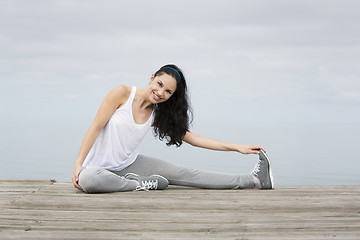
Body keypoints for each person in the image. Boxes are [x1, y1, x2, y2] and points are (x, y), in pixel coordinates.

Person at [72, 64, 274, 193]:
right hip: (98, 169)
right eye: (159, 84)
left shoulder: (158, 114)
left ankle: (255, 180)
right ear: (151, 77)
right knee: (89, 179)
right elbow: (95, 127)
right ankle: (139, 184)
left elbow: (194, 138)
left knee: (188, 174)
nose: (160, 92)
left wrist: (237, 147)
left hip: (129, 165)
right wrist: (79, 164)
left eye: (168, 91)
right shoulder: (122, 93)